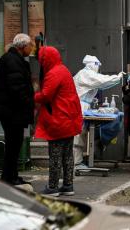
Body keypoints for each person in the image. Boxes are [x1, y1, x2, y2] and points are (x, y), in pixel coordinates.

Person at [35, 46, 82, 196]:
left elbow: (46, 95)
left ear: (45, 59)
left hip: (58, 119)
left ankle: (53, 187)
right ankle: (68, 185)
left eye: (41, 60)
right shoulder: (63, 69)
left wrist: (32, 96)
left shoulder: (53, 73)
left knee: (55, 154)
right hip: (69, 118)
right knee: (67, 154)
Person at [0, 33, 35, 185]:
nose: (32, 48)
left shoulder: (12, 59)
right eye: (30, 45)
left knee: (13, 145)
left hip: (11, 112)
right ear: (23, 46)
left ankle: (10, 176)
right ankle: (10, 178)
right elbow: (17, 89)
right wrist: (29, 103)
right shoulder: (13, 61)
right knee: (13, 146)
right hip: (12, 113)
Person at [73, 55, 124, 169]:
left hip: (82, 106)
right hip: (79, 106)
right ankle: (75, 163)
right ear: (92, 64)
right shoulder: (85, 74)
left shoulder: (86, 74)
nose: (98, 67)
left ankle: (78, 161)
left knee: (81, 134)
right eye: (97, 65)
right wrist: (117, 77)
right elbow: (101, 80)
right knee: (78, 134)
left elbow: (101, 81)